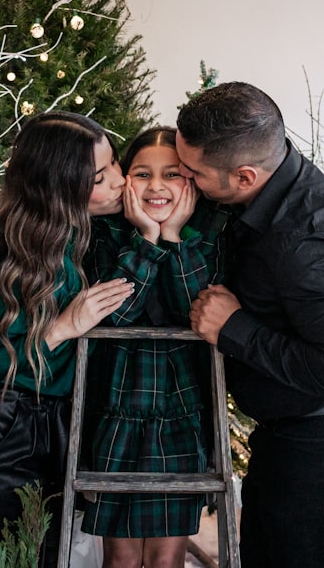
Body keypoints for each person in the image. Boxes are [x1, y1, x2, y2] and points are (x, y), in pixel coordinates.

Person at [176, 82, 324, 567]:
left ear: (244, 176)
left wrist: (234, 327)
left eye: (192, 173)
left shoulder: (309, 239)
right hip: (304, 435)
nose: (184, 179)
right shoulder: (267, 188)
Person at [0, 111, 135, 568]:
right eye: (101, 176)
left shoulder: (84, 238)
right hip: (0, 433)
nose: (120, 181)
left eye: (116, 164)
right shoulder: (24, 254)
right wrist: (61, 328)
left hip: (47, 428)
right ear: (62, 187)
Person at [80, 127, 231, 568]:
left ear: (191, 182)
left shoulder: (208, 237)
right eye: (143, 174)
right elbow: (117, 316)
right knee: (122, 559)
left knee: (167, 559)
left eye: (171, 175)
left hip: (182, 412)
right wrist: (146, 238)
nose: (157, 187)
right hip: (117, 411)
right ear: (126, 178)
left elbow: (197, 312)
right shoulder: (104, 235)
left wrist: (175, 238)